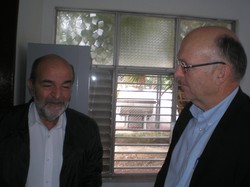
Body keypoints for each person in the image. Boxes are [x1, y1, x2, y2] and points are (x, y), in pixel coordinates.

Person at [154, 26, 250, 187]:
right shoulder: (188, 114)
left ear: (220, 73)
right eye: (179, 64)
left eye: (185, 66)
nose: (177, 73)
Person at [0, 54, 103, 187]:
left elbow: (92, 180)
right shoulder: (4, 124)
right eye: (48, 85)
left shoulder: (87, 129)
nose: (57, 95)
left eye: (65, 86)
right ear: (31, 86)